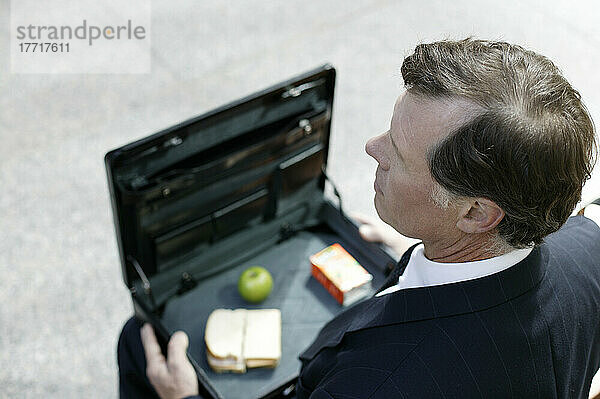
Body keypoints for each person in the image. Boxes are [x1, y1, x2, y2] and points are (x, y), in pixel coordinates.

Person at [118, 39, 600, 398]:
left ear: (476, 213)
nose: (372, 148)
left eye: (398, 153)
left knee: (137, 345)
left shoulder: (376, 383)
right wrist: (421, 255)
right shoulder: (586, 255)